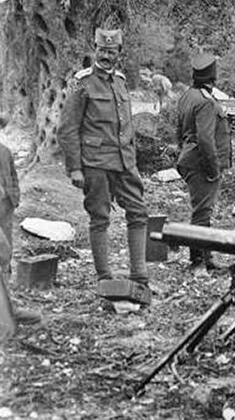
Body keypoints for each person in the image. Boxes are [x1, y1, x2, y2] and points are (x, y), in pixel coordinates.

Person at [56, 29, 151, 296]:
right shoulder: (81, 82)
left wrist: (132, 158)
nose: (106, 55)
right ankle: (104, 278)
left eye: (111, 51)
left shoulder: (120, 81)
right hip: (95, 163)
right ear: (95, 49)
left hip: (125, 163)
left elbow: (127, 125)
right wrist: (75, 168)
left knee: (138, 212)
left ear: (119, 53)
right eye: (101, 50)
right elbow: (67, 129)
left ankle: (139, 275)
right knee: (99, 218)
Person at [175, 53, 232, 273]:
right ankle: (197, 260)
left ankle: (206, 258)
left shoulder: (187, 95)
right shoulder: (206, 102)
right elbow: (206, 140)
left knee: (203, 211)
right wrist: (213, 168)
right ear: (213, 78)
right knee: (202, 213)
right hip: (201, 164)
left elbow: (179, 131)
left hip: (190, 159)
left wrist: (182, 153)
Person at [0, 114, 42, 335]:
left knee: (5, 257)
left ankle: (8, 308)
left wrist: (14, 198)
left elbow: (12, 177)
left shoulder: (4, 152)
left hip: (4, 209)